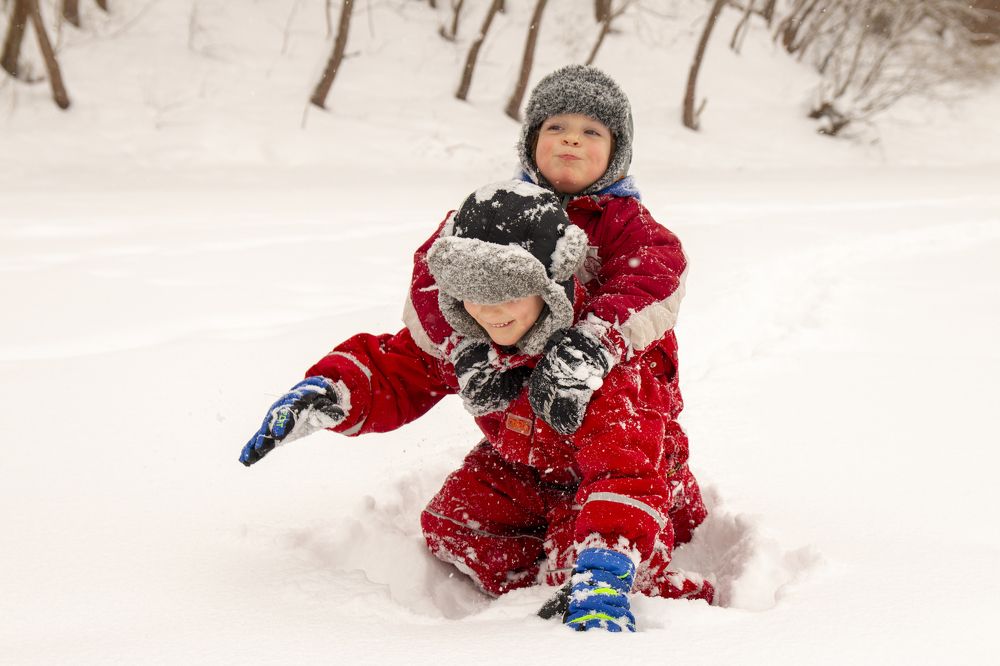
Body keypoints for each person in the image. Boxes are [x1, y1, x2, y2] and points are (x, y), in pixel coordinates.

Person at [240, 181, 713, 633]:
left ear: (551, 285)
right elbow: (397, 370)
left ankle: (642, 590)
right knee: (454, 522)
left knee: (590, 563)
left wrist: (606, 564)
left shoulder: (597, 367)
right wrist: (330, 393)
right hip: (527, 468)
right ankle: (531, 594)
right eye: (474, 294)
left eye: (508, 293)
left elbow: (626, 471)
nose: (490, 312)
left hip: (633, 483)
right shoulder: (472, 340)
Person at [405, 64, 688, 441]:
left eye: (591, 131)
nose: (571, 140)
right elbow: (434, 269)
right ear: (531, 140)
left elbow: (653, 277)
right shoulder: (498, 210)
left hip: (614, 401)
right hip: (524, 411)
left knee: (622, 460)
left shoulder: (624, 221)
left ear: (616, 152)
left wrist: (594, 341)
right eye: (556, 127)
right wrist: (464, 343)